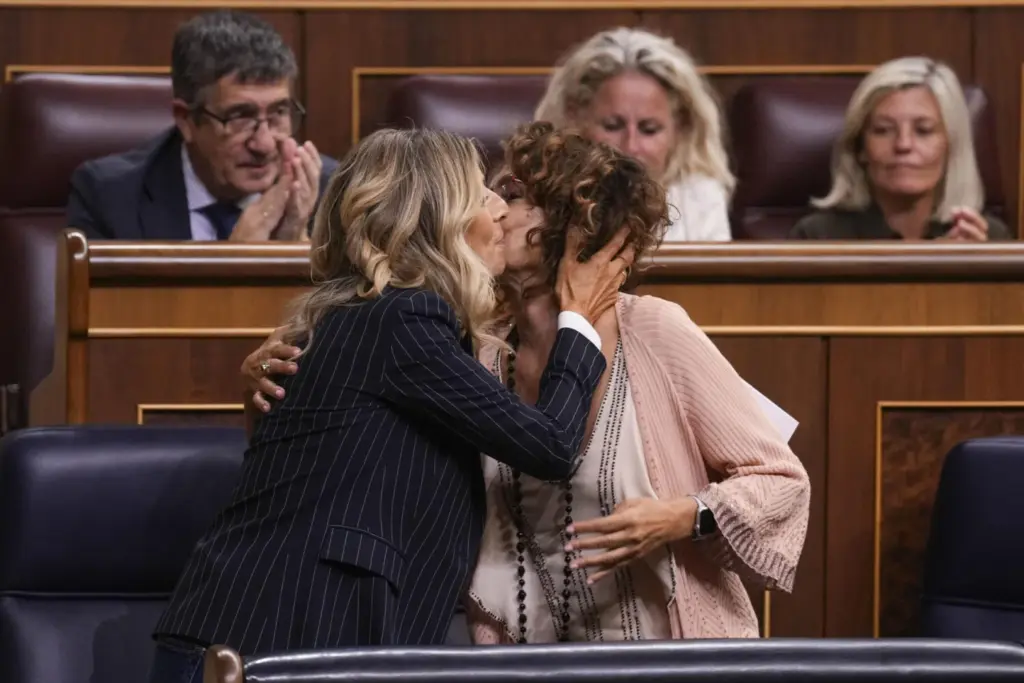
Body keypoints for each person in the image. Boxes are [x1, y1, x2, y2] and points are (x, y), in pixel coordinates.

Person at [249, 123, 810, 645]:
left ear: (568, 226)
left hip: (667, 657)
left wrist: (680, 516)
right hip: (531, 661)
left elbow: (782, 479)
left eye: (514, 197)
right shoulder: (476, 345)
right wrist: (283, 372)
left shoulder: (655, 331)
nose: (491, 209)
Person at [149, 127, 633, 683]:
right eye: (481, 194)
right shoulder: (401, 320)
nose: (500, 209)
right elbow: (549, 445)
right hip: (263, 647)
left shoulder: (378, 322)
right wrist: (579, 316)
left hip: (277, 641)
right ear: (434, 222)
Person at [67, 10, 338, 241]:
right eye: (240, 116)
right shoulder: (111, 197)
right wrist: (237, 265)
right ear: (185, 119)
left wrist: (297, 251)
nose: (264, 145)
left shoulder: (332, 192)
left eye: (279, 112)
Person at [535, 27, 734, 242]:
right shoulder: (542, 200)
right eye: (612, 126)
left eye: (649, 130)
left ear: (680, 128)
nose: (631, 147)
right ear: (575, 119)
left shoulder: (700, 198)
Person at [790, 57, 1012, 241]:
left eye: (923, 130)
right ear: (860, 148)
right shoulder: (817, 236)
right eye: (883, 130)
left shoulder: (986, 236)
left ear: (951, 146)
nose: (903, 144)